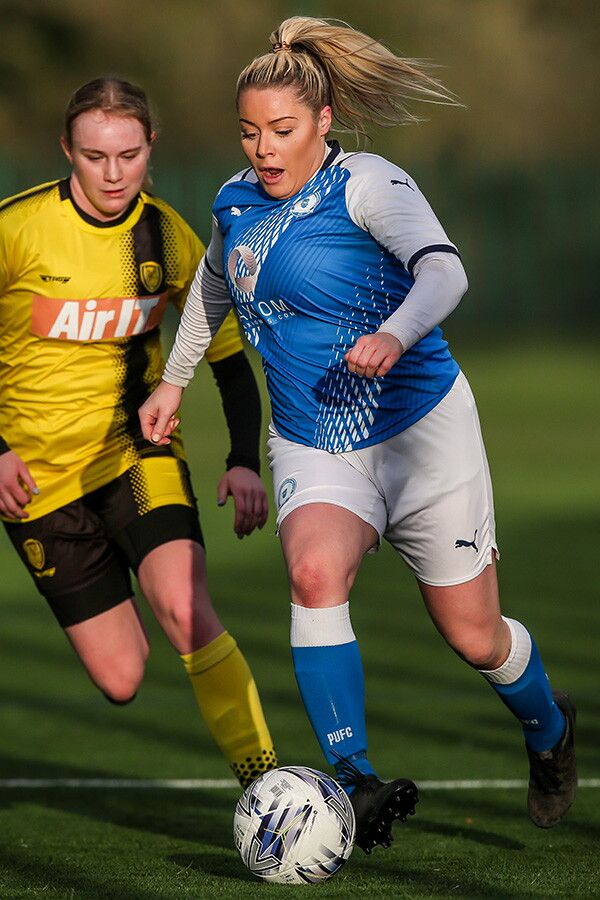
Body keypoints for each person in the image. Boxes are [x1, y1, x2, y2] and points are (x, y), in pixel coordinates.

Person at [140, 17, 577, 851]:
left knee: (474, 635)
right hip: (313, 438)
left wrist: (397, 333)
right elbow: (211, 290)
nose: (263, 148)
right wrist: (172, 379)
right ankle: (355, 782)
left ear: (324, 121)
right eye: (249, 131)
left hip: (419, 432)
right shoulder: (235, 200)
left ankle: (550, 730)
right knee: (312, 571)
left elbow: (444, 269)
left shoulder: (367, 183)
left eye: (281, 130)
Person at [0, 76, 278, 789]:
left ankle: (270, 788)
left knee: (187, 609)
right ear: (68, 149)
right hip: (35, 483)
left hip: (135, 454)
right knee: (121, 677)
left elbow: (229, 364)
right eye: (96, 156)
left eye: (129, 155)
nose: (114, 173)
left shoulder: (166, 236)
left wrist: (244, 459)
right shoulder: (16, 230)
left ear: (150, 146)